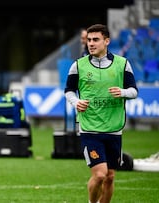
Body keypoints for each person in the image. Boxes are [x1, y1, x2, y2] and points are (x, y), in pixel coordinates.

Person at [64, 24, 138, 203]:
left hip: (114, 129)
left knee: (110, 176)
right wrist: (76, 102)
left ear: (107, 41)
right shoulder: (78, 66)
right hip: (90, 129)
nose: (90, 43)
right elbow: (69, 91)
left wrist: (122, 92)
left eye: (95, 40)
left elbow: (134, 91)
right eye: (89, 40)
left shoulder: (122, 64)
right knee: (99, 175)